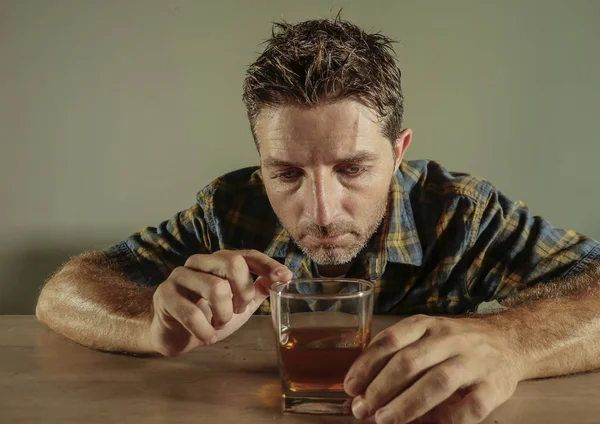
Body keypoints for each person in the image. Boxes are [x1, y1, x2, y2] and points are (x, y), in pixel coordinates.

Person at [36, 17, 600, 424]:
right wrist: (150, 323)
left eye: (353, 168)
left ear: (399, 152)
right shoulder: (230, 206)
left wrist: (510, 343)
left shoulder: (461, 212)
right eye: (287, 174)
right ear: (261, 163)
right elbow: (65, 291)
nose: (323, 213)